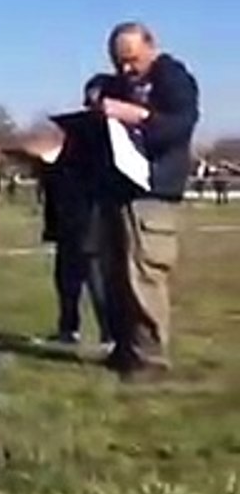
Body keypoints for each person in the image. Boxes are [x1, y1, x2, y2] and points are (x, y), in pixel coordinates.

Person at [94, 22, 199, 382]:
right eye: (118, 62)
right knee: (116, 276)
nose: (125, 70)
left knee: (145, 274)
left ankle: (152, 359)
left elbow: (179, 127)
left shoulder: (174, 78)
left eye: (132, 61)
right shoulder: (121, 82)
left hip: (153, 193)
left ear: (151, 46)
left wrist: (138, 115)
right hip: (119, 191)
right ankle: (126, 349)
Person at [38, 74, 119, 348]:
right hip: (68, 217)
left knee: (98, 279)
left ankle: (111, 334)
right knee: (66, 279)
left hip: (94, 216)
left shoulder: (108, 132)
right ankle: (67, 329)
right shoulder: (75, 129)